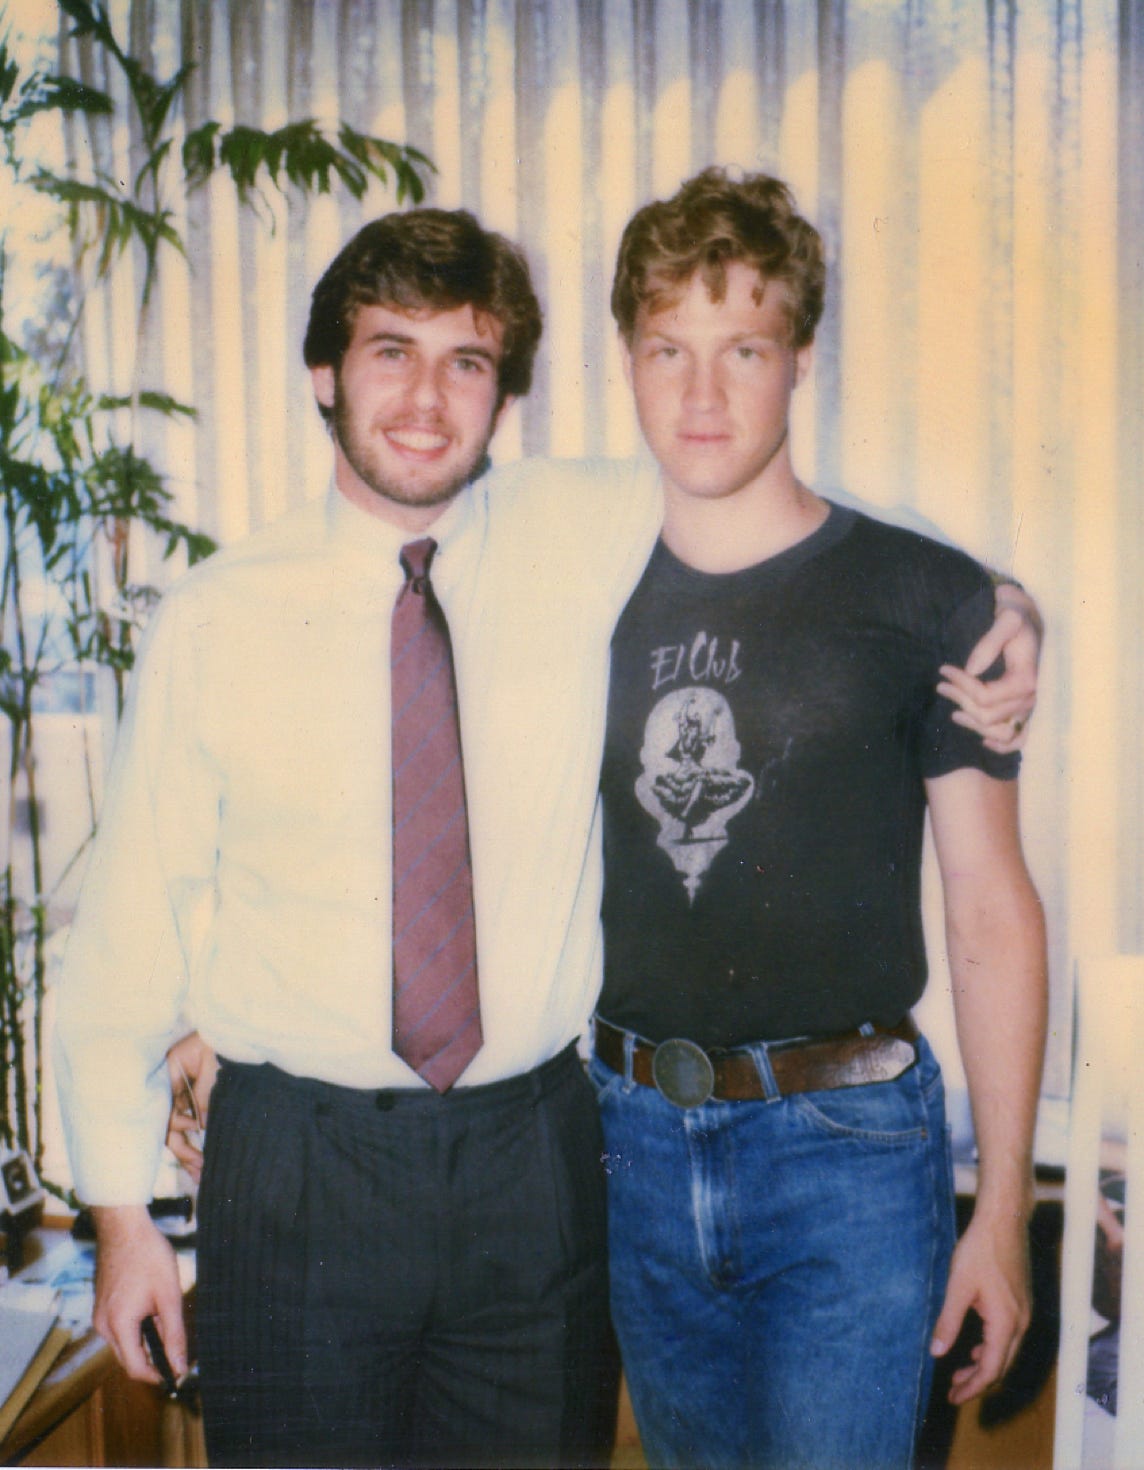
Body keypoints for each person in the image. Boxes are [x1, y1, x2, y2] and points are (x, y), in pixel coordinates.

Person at [56, 202, 1039, 1470]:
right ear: (323, 375)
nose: (426, 400)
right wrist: (121, 1214)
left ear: (502, 393)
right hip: (305, 1165)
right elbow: (133, 920)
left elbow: (798, 525)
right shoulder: (216, 616)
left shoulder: (571, 530)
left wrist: (995, 609)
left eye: (464, 361)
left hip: (538, 1158)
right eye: (390, 352)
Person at [589, 167, 1048, 1470]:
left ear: (798, 359)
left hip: (846, 1158)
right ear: (627, 360)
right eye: (668, 349)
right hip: (631, 1143)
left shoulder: (926, 599)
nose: (701, 393)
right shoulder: (573, 583)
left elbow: (989, 907)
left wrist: (1002, 1209)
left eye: (742, 349)